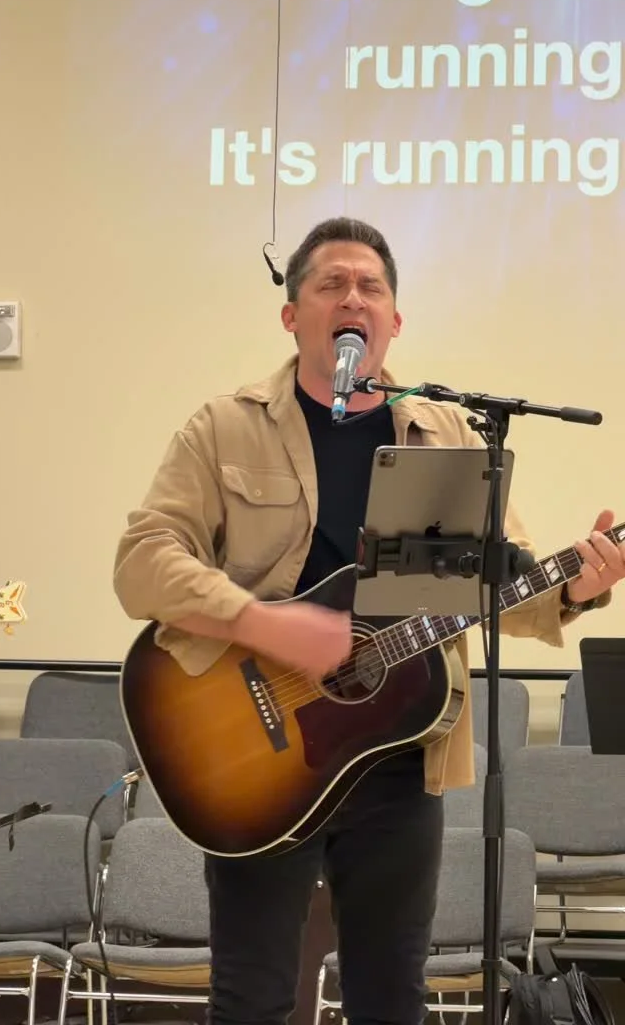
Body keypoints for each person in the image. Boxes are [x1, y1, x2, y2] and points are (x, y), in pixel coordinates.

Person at [114, 217, 623, 1025]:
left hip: (397, 758)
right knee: (251, 1001)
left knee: (391, 1000)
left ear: (394, 320)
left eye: (371, 288)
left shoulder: (446, 433)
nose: (354, 298)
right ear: (293, 315)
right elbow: (142, 561)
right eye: (332, 284)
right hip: (258, 760)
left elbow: (496, 580)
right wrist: (264, 625)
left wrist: (576, 588)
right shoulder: (224, 427)